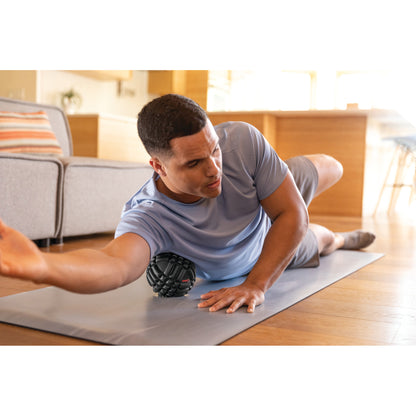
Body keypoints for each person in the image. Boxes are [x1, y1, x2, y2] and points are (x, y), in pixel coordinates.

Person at [0, 94, 375, 314]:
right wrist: (43, 265)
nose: (214, 170)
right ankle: (342, 237)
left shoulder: (241, 141)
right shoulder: (148, 215)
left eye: (214, 150)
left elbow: (290, 211)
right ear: (158, 166)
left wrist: (257, 286)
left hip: (267, 198)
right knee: (319, 240)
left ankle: (277, 178)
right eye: (194, 163)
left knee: (331, 168)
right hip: (265, 243)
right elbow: (112, 264)